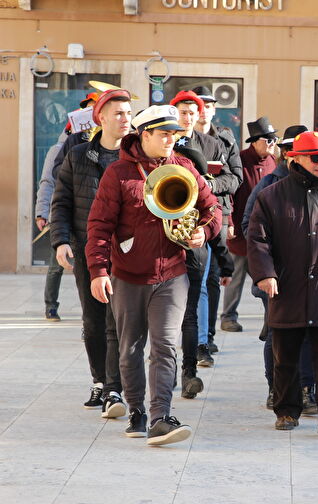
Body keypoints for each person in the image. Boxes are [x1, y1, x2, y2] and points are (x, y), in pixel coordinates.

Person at [86, 104, 222, 445]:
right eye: (164, 134)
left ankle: (161, 416)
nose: (171, 141)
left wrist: (204, 232)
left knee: (164, 346)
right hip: (129, 275)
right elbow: (99, 226)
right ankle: (137, 412)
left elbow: (212, 210)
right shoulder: (118, 173)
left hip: (173, 273)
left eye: (174, 135)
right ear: (144, 135)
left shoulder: (185, 166)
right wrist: (98, 270)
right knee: (130, 346)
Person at [247, 131, 318, 435]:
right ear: (296, 158)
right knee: (285, 357)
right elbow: (257, 240)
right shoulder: (271, 195)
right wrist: (265, 274)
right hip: (287, 287)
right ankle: (286, 411)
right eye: (315, 157)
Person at [50, 89, 133, 416]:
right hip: (88, 249)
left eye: (129, 113)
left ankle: (115, 389)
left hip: (126, 252)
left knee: (117, 321)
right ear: (101, 118)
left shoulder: (137, 157)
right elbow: (62, 202)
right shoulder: (78, 154)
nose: (126, 119)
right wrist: (61, 240)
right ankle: (99, 381)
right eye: (119, 113)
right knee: (93, 321)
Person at [241, 124, 318, 415]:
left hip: (309, 277)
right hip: (276, 275)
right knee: (277, 332)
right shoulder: (269, 185)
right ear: (289, 155)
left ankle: (307, 389)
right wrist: (271, 264)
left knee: (310, 332)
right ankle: (276, 388)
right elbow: (250, 228)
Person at [170, 90, 238, 361]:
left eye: (192, 113)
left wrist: (210, 185)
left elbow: (232, 179)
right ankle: (166, 342)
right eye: (182, 113)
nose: (187, 118)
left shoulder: (212, 143)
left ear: (200, 116)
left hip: (201, 223)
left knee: (199, 286)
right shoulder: (164, 141)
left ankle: (200, 344)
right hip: (168, 223)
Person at [224, 117, 278, 332]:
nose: (272, 144)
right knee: (235, 278)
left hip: (264, 235)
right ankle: (228, 316)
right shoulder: (239, 161)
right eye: (268, 140)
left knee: (267, 277)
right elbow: (229, 195)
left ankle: (271, 319)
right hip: (240, 232)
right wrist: (229, 223)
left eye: (274, 139)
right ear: (254, 142)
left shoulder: (274, 162)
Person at [35, 128, 68, 321]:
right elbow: (47, 181)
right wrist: (41, 212)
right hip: (60, 215)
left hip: (83, 215)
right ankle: (50, 305)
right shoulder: (57, 150)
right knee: (56, 266)